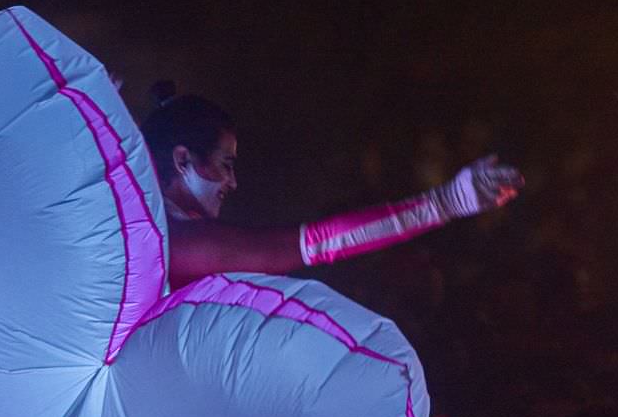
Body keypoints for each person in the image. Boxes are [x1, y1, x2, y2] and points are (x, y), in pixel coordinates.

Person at [140, 85, 522, 286]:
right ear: (183, 160)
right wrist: (443, 203)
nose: (233, 182)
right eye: (226, 165)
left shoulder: (151, 229)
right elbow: (320, 243)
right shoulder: (177, 241)